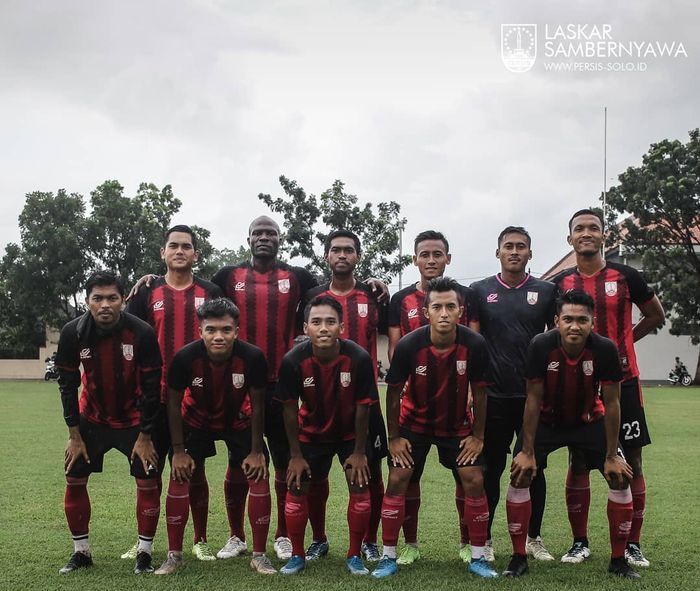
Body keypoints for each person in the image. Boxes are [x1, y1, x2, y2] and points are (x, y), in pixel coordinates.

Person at [550, 209, 664, 567]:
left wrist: (623, 343)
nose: (586, 233)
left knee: (632, 459)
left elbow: (655, 314)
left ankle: (633, 544)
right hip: (577, 384)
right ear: (569, 238)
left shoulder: (627, 276)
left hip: (624, 380)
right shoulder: (560, 283)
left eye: (593, 228)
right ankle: (579, 542)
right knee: (579, 457)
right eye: (579, 228)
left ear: (604, 236)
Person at [505, 289, 639, 579]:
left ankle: (619, 560)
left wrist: (612, 454)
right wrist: (527, 452)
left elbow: (613, 402)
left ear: (592, 322)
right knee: (519, 473)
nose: (574, 326)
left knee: (620, 476)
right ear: (557, 321)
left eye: (582, 319)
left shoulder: (604, 348)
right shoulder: (540, 345)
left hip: (589, 420)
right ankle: (518, 557)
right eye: (568, 319)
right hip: (547, 422)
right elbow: (532, 399)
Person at [372, 277, 498, 579]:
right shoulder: (408, 345)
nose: (444, 312)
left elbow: (480, 392)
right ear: (426, 311)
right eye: (437, 307)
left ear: (460, 311)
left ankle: (478, 556)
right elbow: (392, 393)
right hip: (414, 424)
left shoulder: (475, 344)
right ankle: (390, 554)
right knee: (399, 476)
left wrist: (478, 436)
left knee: (474, 478)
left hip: (456, 426)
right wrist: (394, 438)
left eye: (450, 307)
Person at [210, 216, 318, 560]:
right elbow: (196, 288)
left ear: (279, 239)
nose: (264, 238)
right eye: (258, 233)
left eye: (270, 233)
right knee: (238, 459)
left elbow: (330, 294)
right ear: (248, 239)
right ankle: (236, 536)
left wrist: (373, 282)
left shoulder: (297, 277)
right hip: (238, 384)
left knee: (285, 461)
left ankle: (283, 535)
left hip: (282, 383)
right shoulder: (229, 276)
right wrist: (151, 279)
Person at [154, 298, 275, 575]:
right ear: (200, 331)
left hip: (238, 420)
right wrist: (179, 451)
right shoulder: (185, 358)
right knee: (180, 474)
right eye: (211, 330)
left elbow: (258, 403)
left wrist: (257, 450)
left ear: (237, 330)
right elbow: (172, 404)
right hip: (196, 421)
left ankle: (259, 555)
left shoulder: (252, 357)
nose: (218, 336)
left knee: (259, 472)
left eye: (226, 329)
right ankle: (174, 556)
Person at [124, 225, 223, 561]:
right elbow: (131, 340)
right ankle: (143, 540)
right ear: (163, 253)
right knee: (148, 472)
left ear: (196, 254)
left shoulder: (211, 292)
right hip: (154, 397)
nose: (180, 251)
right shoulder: (146, 292)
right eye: (173, 246)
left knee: (195, 471)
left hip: (196, 398)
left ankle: (200, 539)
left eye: (187, 246)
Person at [56, 271, 162, 574]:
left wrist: (145, 435)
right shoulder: (72, 332)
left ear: (122, 299)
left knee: (147, 480)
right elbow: (67, 383)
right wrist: (74, 435)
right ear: (88, 301)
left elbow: (153, 386)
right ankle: (82, 552)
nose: (105, 304)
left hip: (133, 421)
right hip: (92, 419)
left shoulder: (141, 332)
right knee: (74, 478)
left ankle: (144, 553)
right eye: (97, 298)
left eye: (112, 298)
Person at [387, 230, 479, 564]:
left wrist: (469, 389)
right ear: (415, 260)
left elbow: (475, 347)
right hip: (416, 406)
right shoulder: (400, 301)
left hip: (457, 407)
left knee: (467, 475)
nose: (431, 260)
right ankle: (407, 544)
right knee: (406, 476)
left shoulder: (465, 296)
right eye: (424, 254)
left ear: (448, 258)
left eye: (437, 254)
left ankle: (469, 543)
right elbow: (397, 350)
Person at [469, 226, 557, 563]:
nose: (515, 251)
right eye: (509, 246)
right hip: (492, 394)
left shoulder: (546, 291)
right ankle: (486, 539)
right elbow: (474, 342)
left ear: (530, 254)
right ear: (498, 253)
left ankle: (534, 537)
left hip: (533, 395)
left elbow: (556, 338)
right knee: (490, 468)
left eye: (521, 246)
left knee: (533, 466)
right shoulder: (480, 290)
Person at [301, 230, 388, 563]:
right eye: (335, 250)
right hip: (319, 404)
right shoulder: (311, 296)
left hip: (364, 404)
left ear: (358, 256)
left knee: (371, 474)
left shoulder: (374, 296)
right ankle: (319, 539)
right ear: (326, 256)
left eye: (348, 250)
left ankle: (369, 540)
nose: (342, 255)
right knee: (315, 477)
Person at [275, 296, 378, 575]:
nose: (323, 328)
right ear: (306, 327)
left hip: (349, 435)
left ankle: (354, 555)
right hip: (310, 435)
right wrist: (294, 455)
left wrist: (358, 452)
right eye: (317, 322)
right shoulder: (293, 360)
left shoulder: (358, 357)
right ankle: (299, 554)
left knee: (359, 486)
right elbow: (287, 409)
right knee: (297, 486)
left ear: (341, 327)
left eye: (330, 322)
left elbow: (363, 408)